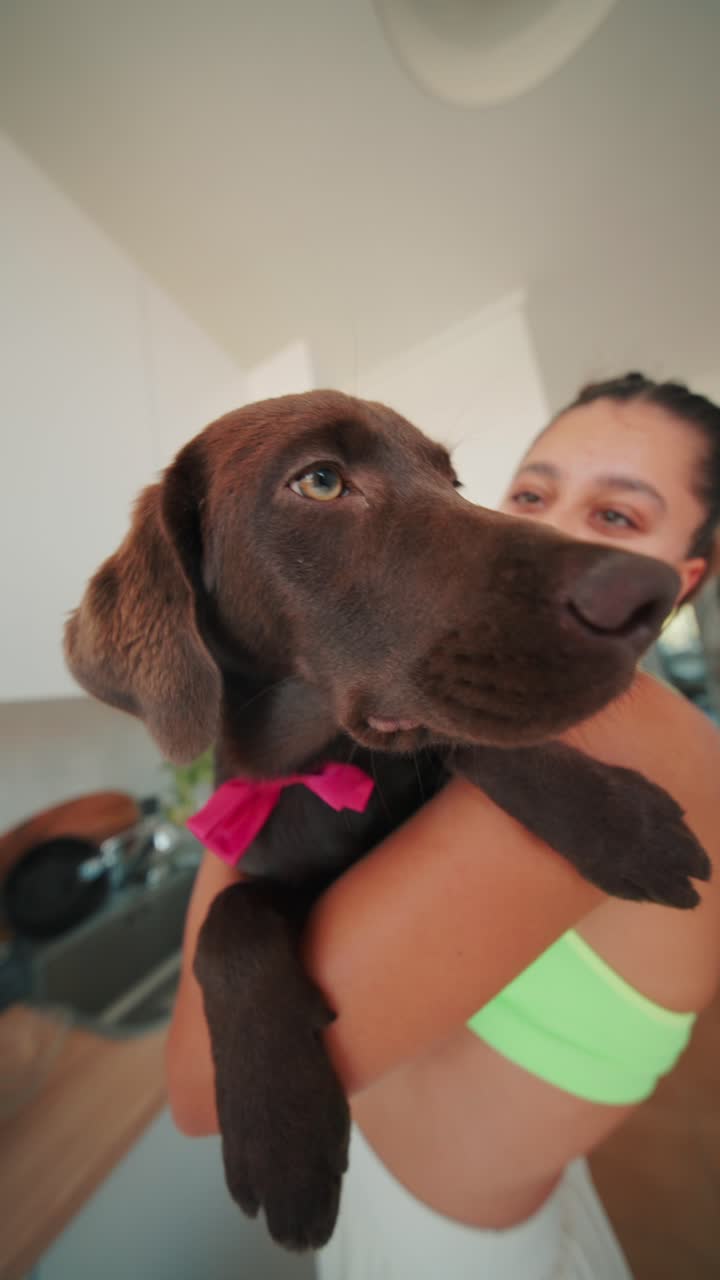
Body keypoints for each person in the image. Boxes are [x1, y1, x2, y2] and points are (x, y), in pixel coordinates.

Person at [166, 373, 720, 1279]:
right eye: (531, 495)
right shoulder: (472, 717)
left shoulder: (620, 730)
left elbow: (195, 1090)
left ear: (680, 580)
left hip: (457, 1250)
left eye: (617, 519)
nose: (546, 536)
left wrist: (259, 742)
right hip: (496, 1194)